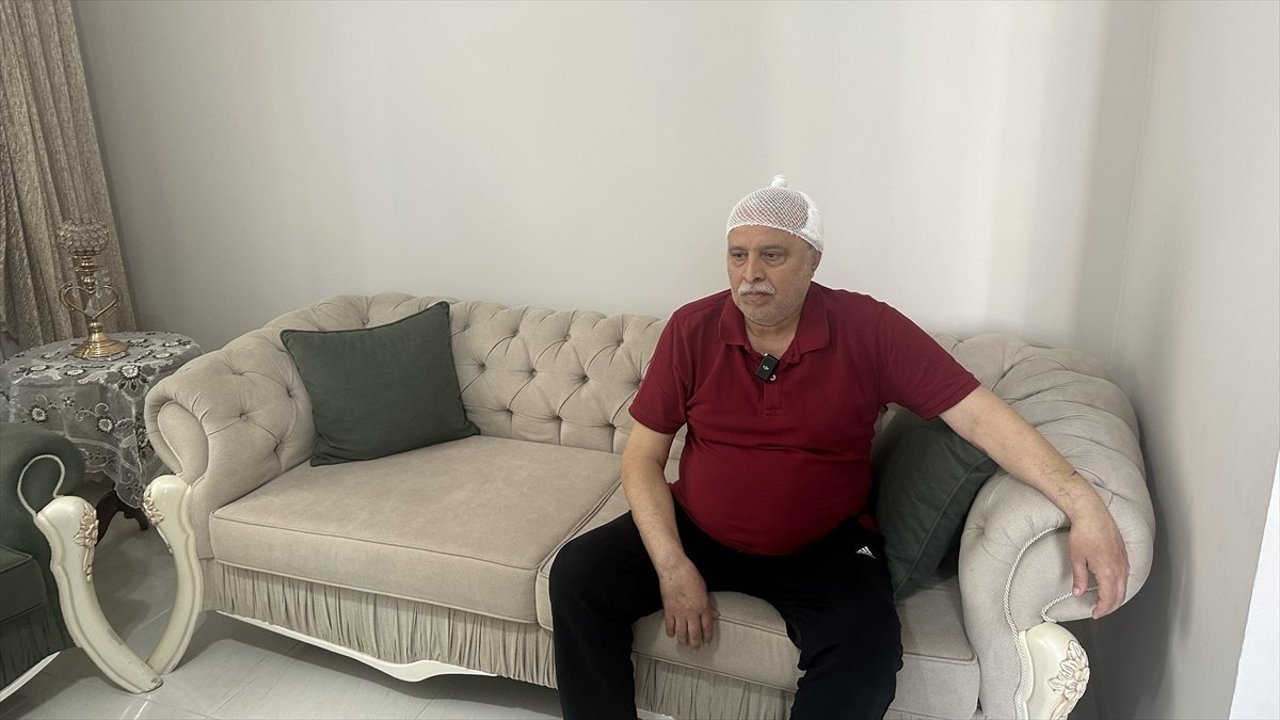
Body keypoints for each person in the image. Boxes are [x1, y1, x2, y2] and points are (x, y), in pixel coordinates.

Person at [549, 175, 1129, 720]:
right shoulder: (692, 329)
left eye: (772, 255)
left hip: (824, 546)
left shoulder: (869, 329)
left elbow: (981, 418)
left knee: (866, 660)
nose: (751, 274)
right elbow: (642, 457)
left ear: (813, 261)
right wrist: (673, 565)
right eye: (738, 255)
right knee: (578, 575)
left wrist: (1084, 504)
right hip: (699, 526)